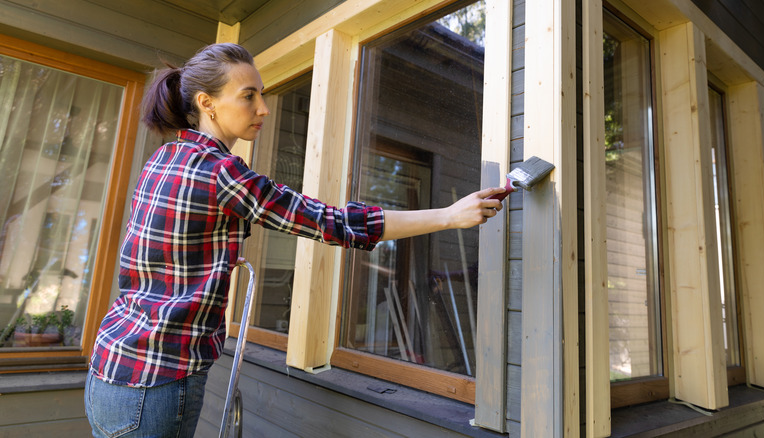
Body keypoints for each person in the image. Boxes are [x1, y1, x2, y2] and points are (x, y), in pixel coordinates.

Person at [84, 42, 505, 438]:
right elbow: (332, 222)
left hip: (110, 367)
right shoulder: (221, 173)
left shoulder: (165, 157)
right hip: (155, 384)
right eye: (248, 96)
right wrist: (450, 215)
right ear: (206, 103)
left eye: (261, 94)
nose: (263, 108)